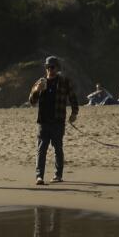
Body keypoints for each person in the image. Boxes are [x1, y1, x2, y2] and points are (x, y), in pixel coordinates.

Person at [27, 55, 80, 185]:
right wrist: (36, 91)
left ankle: (58, 175)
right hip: (43, 121)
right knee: (41, 149)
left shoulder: (64, 81)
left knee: (58, 148)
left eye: (53, 67)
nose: (50, 70)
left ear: (57, 68)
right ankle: (39, 176)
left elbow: (73, 98)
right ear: (45, 68)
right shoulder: (40, 82)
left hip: (58, 120)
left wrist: (74, 113)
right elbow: (32, 102)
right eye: (48, 67)